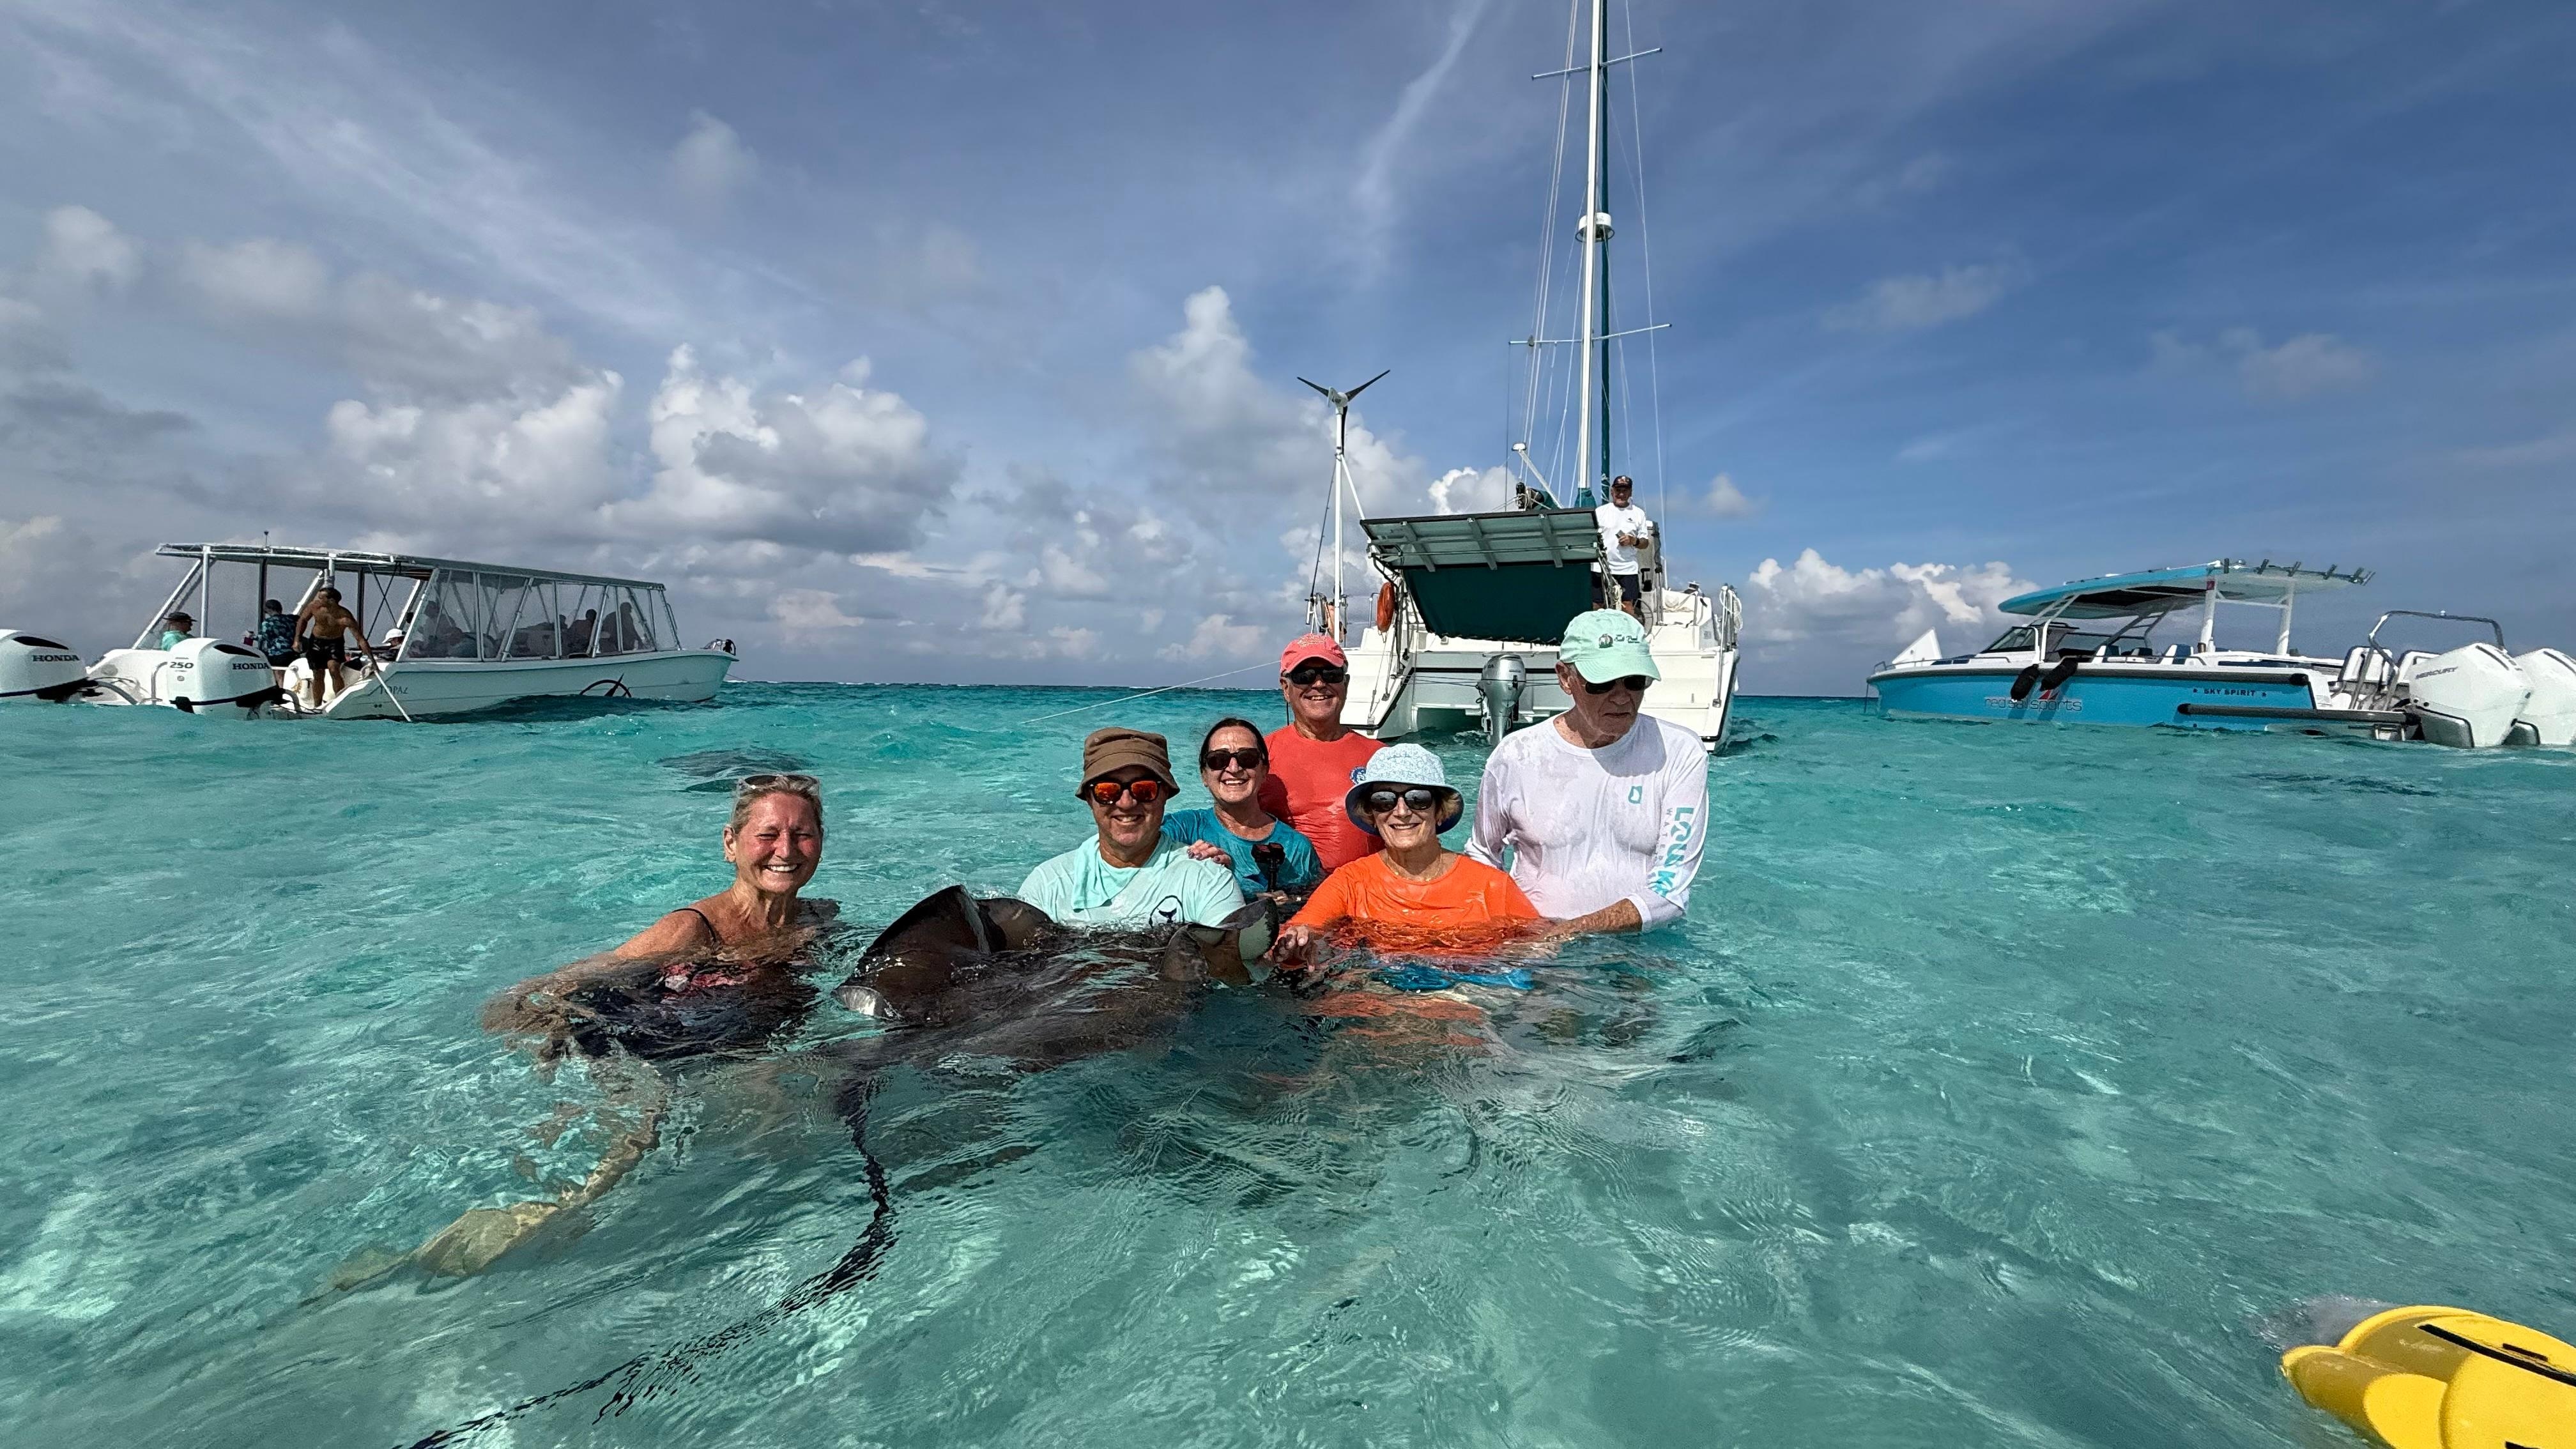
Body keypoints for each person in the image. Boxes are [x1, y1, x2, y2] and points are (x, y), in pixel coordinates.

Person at [398, 774, 833, 1282]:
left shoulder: (818, 919)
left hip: (717, 1041)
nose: (786, 850)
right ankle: (469, 1244)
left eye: (803, 834)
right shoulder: (691, 929)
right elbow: (560, 986)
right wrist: (539, 1024)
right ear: (730, 844)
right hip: (640, 1039)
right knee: (625, 1154)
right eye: (768, 834)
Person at [1466, 609, 1706, 937]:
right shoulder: (1515, 755)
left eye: (1635, 681)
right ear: (1565, 677)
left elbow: (1671, 889)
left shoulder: (1680, 752)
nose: (1621, 697)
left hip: (1633, 948)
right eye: (1602, 683)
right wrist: (1505, 932)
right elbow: (1483, 856)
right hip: (1532, 943)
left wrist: (1569, 932)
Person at [1275, 744, 1540, 965]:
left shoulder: (1492, 887)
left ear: (1440, 811)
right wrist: (1296, 943)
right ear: (1372, 814)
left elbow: (1542, 948)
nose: (1401, 812)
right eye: (1384, 801)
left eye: (1418, 799)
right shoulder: (1350, 882)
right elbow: (1300, 930)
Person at [1018, 727, 1246, 929]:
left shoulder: (1208, 880)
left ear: (1165, 794)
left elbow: (1230, 953)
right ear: (1089, 798)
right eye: (1108, 791)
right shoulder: (1047, 885)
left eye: (1144, 789)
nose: (1126, 803)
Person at [1163, 717, 1326, 906]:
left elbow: (1316, 906)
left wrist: (1288, 902)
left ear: (1264, 771)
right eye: (1218, 759)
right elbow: (1136, 858)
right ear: (1204, 775)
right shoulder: (1181, 830)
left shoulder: (1296, 847)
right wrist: (1183, 863)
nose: (1234, 768)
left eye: (1247, 758)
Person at [1257, 633, 1384, 871]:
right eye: (1304, 676)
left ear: (1345, 684)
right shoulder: (1258, 756)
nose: (1318, 684)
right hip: (1289, 888)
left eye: (1331, 674)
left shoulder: (1380, 756)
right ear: (1285, 688)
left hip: (1363, 887)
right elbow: (1231, 822)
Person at [293, 586, 378, 707]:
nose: (318, 600)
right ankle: (317, 706)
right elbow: (303, 620)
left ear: (332, 601)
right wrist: (297, 639)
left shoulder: (345, 617)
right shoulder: (314, 607)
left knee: (334, 669)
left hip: (335, 643)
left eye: (321, 598)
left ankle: (339, 702)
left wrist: (373, 661)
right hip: (316, 642)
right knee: (318, 673)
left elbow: (361, 639)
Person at [1594, 475, 1655, 619]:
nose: (1621, 494)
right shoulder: (1600, 512)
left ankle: (1627, 631)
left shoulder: (1639, 514)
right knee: (1597, 606)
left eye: (1625, 490)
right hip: (1601, 567)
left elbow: (1645, 543)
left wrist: (1633, 540)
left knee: (1627, 606)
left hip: (1627, 568)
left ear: (1630, 492)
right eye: (1618, 490)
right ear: (1612, 491)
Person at [252, 599, 296, 668]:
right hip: (292, 653)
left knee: (277, 673)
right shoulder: (290, 620)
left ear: (269, 609)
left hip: (277, 653)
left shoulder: (269, 622)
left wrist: (251, 636)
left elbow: (264, 637)